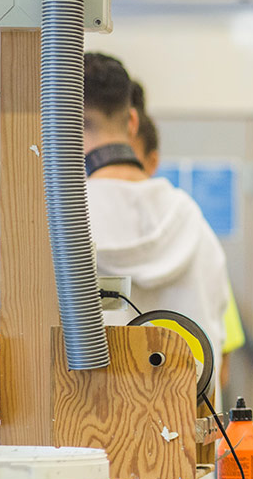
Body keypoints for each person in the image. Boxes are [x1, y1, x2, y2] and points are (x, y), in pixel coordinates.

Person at [83, 52, 232, 388]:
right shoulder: (192, 220)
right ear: (133, 123)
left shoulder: (63, 225)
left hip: (90, 435)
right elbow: (217, 349)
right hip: (188, 433)